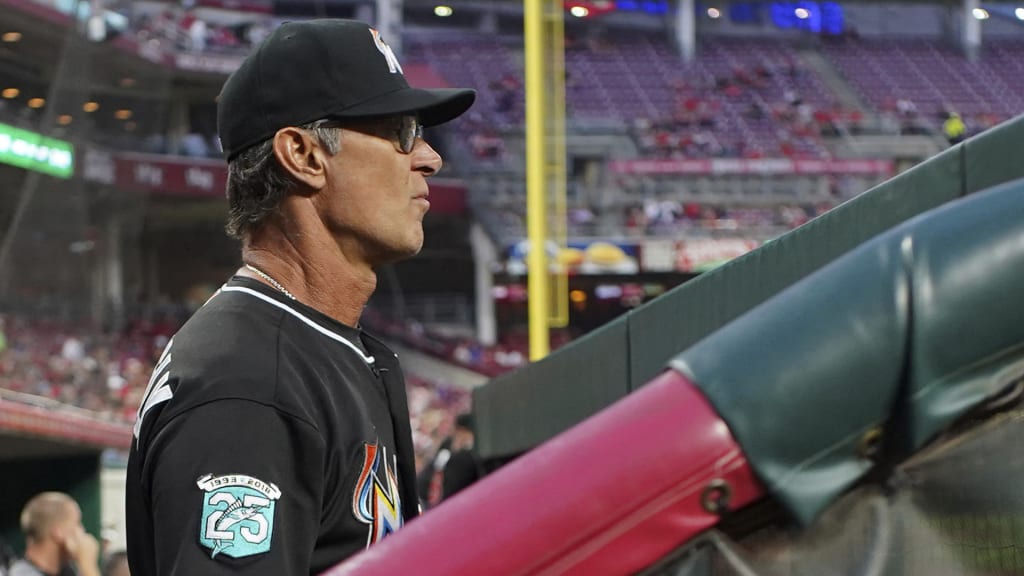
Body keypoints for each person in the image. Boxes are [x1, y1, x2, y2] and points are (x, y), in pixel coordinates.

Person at [125, 18, 475, 575]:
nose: (428, 157)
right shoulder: (248, 384)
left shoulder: (311, 346)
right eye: (400, 131)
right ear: (304, 155)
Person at [9, 492, 100, 576]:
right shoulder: (23, 574)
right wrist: (88, 566)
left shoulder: (66, 570)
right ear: (58, 532)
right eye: (77, 523)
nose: (82, 530)